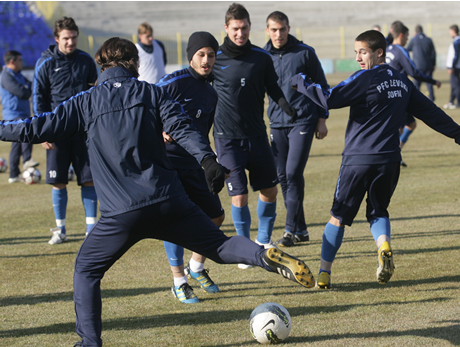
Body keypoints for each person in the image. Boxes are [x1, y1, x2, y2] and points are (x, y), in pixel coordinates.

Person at [0, 37, 315, 347]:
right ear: (134, 63)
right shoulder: (152, 93)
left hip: (121, 214)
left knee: (86, 270)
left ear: (100, 65)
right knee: (219, 246)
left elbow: (34, 127)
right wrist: (207, 159)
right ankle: (262, 254)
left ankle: (89, 342)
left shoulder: (86, 100)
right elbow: (182, 127)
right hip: (169, 202)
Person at [291, 29, 460, 290]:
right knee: (378, 211)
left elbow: (328, 98)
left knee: (338, 217)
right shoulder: (402, 81)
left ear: (379, 52)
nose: (358, 57)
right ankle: (383, 246)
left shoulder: (365, 78)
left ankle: (324, 273)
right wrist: (457, 133)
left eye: (363, 52)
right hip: (389, 160)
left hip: (358, 160)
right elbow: (431, 112)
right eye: (356, 52)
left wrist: (300, 81)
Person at [213, 3, 298, 263]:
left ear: (251, 27)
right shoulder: (214, 58)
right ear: (226, 28)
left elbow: (272, 87)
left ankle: (263, 240)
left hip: (257, 137)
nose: (240, 33)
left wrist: (286, 107)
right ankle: (242, 249)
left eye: (245, 28)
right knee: (239, 196)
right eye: (235, 29)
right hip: (227, 139)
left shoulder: (261, 57)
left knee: (270, 190)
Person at [156, 32, 223, 303]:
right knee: (174, 223)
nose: (206, 60)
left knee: (215, 216)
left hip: (195, 164)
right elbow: (146, 106)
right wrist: (159, 128)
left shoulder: (211, 92)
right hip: (169, 164)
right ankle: (178, 281)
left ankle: (195, 266)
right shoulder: (172, 83)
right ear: (191, 56)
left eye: (211, 55)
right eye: (201, 55)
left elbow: (205, 132)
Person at [263, 11, 328, 247]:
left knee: (292, 174)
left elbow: (321, 85)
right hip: (276, 123)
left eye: (282, 29)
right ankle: (302, 229)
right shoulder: (262, 55)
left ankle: (289, 231)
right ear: (267, 31)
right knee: (283, 177)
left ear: (288, 28)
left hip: (303, 120)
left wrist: (322, 118)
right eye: (273, 30)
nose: (278, 34)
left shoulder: (305, 52)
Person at [33, 17, 98, 244]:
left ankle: (91, 229)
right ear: (57, 39)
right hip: (57, 132)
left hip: (83, 132)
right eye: (66, 38)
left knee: (89, 180)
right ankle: (60, 230)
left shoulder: (86, 60)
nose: (70, 42)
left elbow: (95, 94)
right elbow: (38, 98)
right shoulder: (46, 63)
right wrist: (43, 131)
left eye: (73, 38)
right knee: (58, 181)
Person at [386, 21, 441, 167]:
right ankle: (394, 155)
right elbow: (413, 72)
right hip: (397, 95)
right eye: (407, 36)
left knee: (401, 125)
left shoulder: (388, 48)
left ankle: (394, 154)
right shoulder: (399, 50)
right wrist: (433, 81)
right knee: (410, 124)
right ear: (402, 35)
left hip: (387, 93)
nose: (407, 40)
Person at [0, 50, 39, 183]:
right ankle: (27, 160)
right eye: (20, 60)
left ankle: (13, 175)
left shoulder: (18, 75)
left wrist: (26, 88)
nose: (22, 63)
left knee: (16, 144)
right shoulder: (6, 76)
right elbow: (22, 92)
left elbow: (31, 86)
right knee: (26, 131)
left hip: (22, 113)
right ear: (12, 61)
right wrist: (25, 88)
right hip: (13, 114)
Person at [406, 25, 437, 101]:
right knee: (429, 84)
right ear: (422, 31)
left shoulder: (414, 40)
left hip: (417, 66)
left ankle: (417, 100)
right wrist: (433, 64)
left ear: (415, 32)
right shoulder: (429, 40)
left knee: (416, 85)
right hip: (428, 66)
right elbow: (433, 54)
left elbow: (407, 50)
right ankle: (432, 99)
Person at [444, 24, 460, 109]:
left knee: (456, 85)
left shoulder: (457, 41)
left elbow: (455, 55)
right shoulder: (456, 40)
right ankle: (451, 101)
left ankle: (458, 102)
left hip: (455, 67)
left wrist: (451, 67)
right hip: (456, 66)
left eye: (450, 31)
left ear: (454, 31)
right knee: (454, 84)